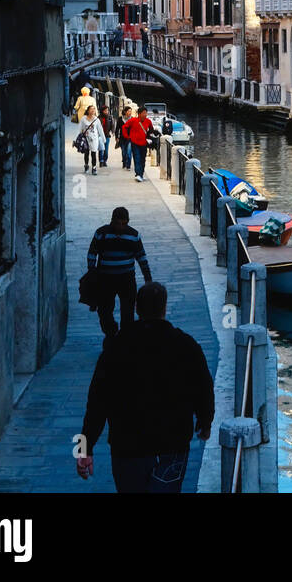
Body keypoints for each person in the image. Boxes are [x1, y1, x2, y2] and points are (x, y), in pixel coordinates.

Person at [76, 282, 214, 493]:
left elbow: (96, 401)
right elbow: (203, 388)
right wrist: (205, 423)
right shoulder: (186, 345)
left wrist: (85, 449)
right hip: (172, 444)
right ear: (164, 308)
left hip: (128, 447)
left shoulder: (116, 347)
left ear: (137, 309)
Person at [86, 206, 153, 339]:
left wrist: (148, 279)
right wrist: (92, 272)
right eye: (117, 223)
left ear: (127, 222)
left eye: (124, 224)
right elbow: (92, 253)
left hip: (126, 279)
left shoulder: (133, 235)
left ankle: (124, 339)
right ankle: (111, 333)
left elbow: (141, 257)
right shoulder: (101, 233)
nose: (120, 227)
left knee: (128, 312)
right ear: (112, 221)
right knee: (104, 311)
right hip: (105, 280)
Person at [122, 106, 157, 182]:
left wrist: (153, 137)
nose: (145, 114)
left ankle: (141, 174)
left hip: (144, 143)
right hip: (134, 143)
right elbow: (124, 127)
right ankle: (138, 174)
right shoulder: (133, 120)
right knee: (137, 158)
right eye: (144, 113)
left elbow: (151, 131)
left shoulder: (148, 121)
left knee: (142, 159)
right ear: (139, 114)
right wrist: (127, 136)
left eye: (146, 113)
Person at [78, 105, 104, 175]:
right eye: (91, 109)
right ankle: (86, 165)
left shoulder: (96, 120)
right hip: (86, 138)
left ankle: (94, 168)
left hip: (94, 139)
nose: (93, 111)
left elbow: (100, 130)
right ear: (88, 110)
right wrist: (79, 136)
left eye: (94, 109)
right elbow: (80, 128)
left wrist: (103, 139)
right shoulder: (83, 119)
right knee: (86, 153)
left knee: (93, 153)